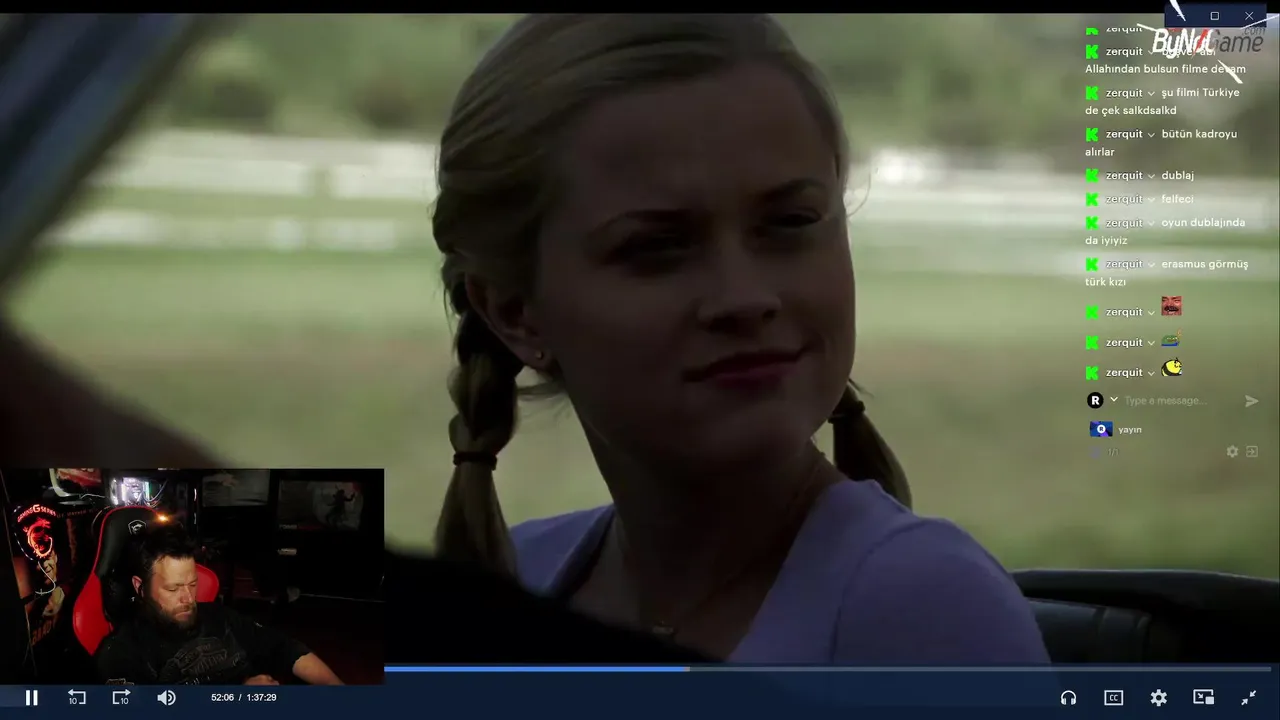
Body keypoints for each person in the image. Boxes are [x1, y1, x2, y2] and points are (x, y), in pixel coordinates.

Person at [431, 14, 1050, 663]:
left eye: (790, 222)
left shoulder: (920, 608)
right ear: (514, 312)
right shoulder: (516, 581)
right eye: (657, 246)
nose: (745, 297)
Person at [93, 523, 343, 685]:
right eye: (173, 589)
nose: (188, 598)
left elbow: (285, 648)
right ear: (140, 587)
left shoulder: (218, 616)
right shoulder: (121, 653)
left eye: (192, 584)